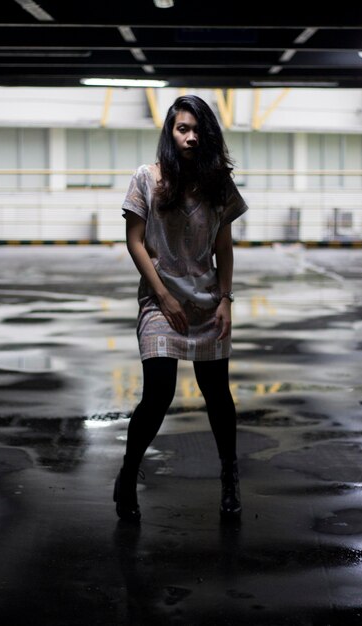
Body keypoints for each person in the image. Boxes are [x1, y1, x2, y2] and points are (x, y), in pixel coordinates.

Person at [114, 94, 248, 522]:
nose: (190, 137)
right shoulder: (146, 178)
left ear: (207, 134)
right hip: (159, 302)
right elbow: (135, 241)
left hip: (208, 302)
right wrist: (165, 296)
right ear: (170, 134)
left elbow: (224, 248)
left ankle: (229, 476)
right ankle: (129, 472)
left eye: (196, 130)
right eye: (181, 129)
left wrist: (226, 299)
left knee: (216, 396)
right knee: (158, 394)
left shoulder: (217, 184)